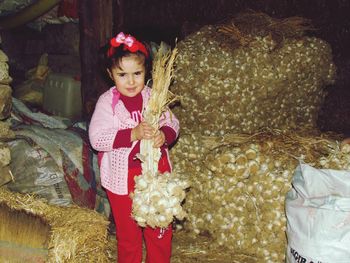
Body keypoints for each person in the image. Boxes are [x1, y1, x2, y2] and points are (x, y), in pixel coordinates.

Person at [88, 32, 179, 263]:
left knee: (159, 228)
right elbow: (97, 138)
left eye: (137, 73)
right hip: (123, 180)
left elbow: (172, 122)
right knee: (129, 234)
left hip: (156, 177)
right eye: (122, 74)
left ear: (146, 72)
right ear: (110, 74)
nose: (131, 81)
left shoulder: (153, 97)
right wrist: (133, 134)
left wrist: (163, 135)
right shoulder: (107, 103)